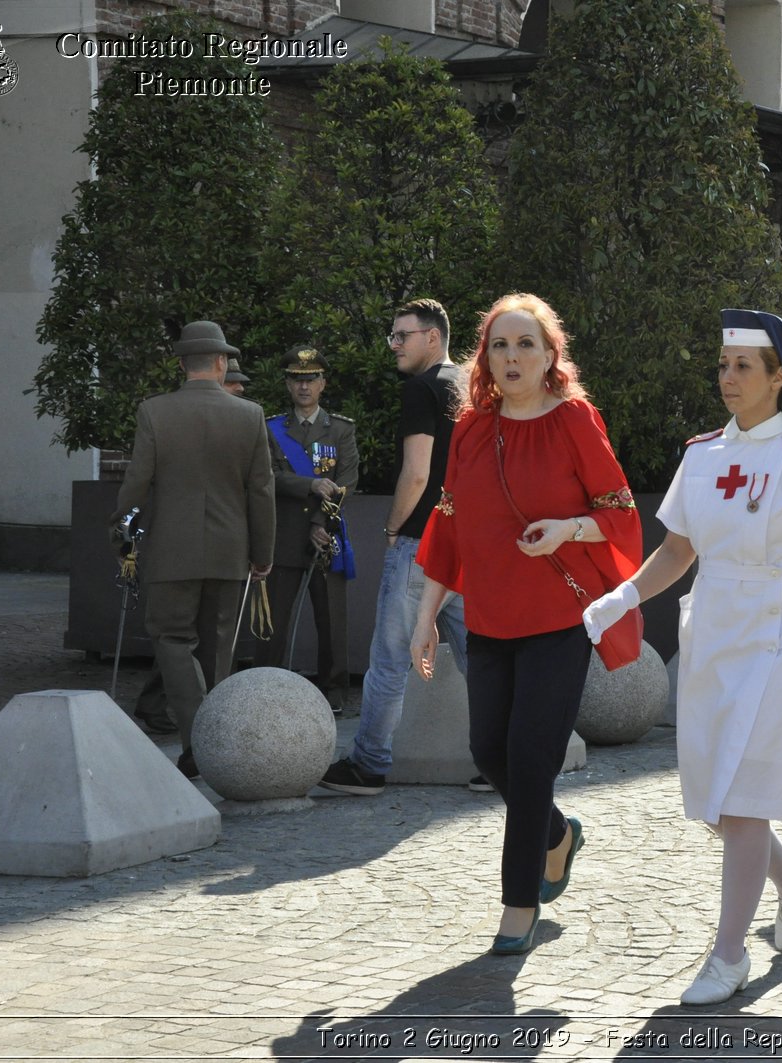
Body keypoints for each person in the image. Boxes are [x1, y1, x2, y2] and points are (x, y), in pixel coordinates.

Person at [582, 308, 782, 1005]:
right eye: (722, 365)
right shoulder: (703, 454)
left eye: (743, 366)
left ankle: (729, 951)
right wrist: (623, 595)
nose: (728, 377)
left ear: (779, 376)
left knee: (741, 802)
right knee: (718, 800)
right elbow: (679, 549)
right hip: (713, 628)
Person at [413, 293, 642, 957]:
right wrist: (426, 616)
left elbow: (622, 511)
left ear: (550, 356)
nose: (511, 357)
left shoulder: (574, 419)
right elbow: (449, 524)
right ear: (484, 357)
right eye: (499, 345)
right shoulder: (473, 427)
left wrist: (569, 528)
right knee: (489, 750)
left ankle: (519, 904)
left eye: (525, 344)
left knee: (530, 756)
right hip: (487, 616)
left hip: (557, 618)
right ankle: (556, 836)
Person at [110, 320, 275, 778]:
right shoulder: (249, 414)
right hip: (229, 549)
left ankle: (193, 742)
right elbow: (261, 490)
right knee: (218, 649)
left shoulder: (154, 412)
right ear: (222, 363)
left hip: (170, 549)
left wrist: (120, 535)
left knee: (172, 642)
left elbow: (136, 484)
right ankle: (212, 744)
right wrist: (263, 553)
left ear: (182, 364)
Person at [320, 298, 469, 796]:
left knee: (389, 658)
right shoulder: (472, 386)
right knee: (481, 659)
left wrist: (391, 527)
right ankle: (502, 763)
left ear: (433, 337)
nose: (394, 345)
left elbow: (418, 471)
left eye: (401, 336)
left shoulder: (422, 390)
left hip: (422, 543)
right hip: (470, 544)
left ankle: (368, 764)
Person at [259, 346, 359, 712]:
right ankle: (264, 689)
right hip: (283, 534)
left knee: (331, 619)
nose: (304, 387)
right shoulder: (270, 429)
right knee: (275, 621)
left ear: (323, 384)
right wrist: (309, 485)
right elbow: (266, 475)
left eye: (311, 379)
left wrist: (321, 523)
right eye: (297, 379)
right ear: (287, 384)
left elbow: (347, 480)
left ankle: (334, 693)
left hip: (326, 536)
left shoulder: (341, 429)